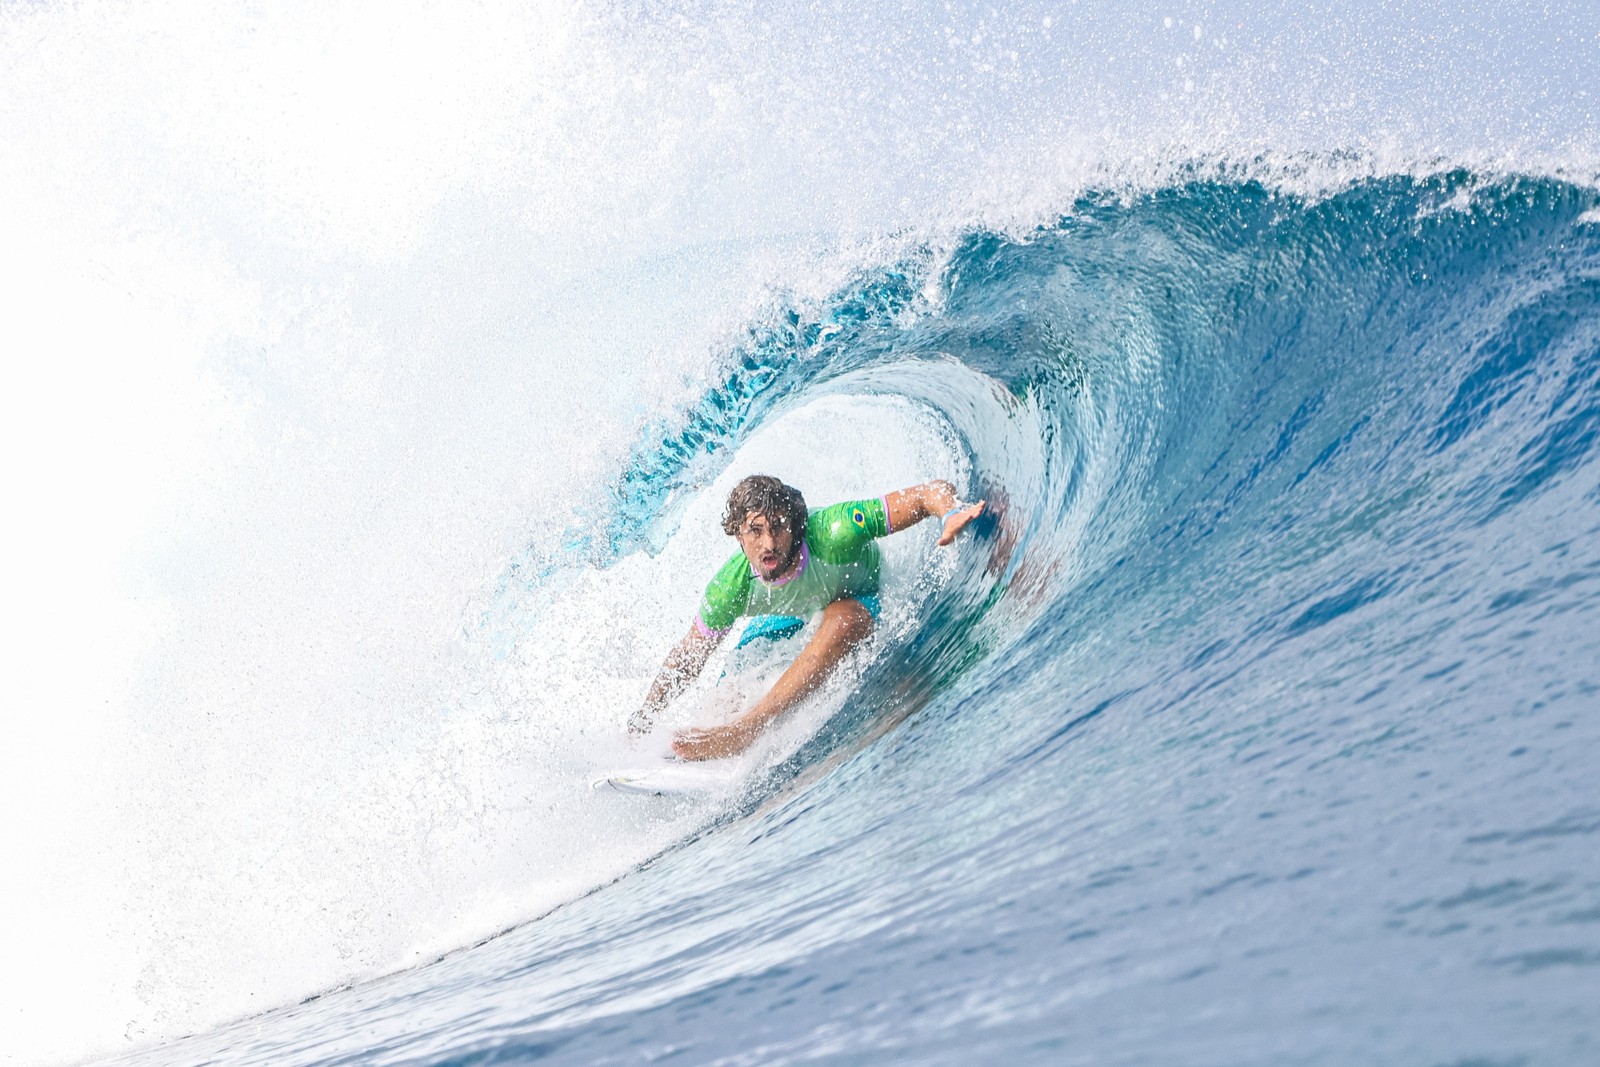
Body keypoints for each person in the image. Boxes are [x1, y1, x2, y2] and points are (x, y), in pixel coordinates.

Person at [628, 474, 986, 760]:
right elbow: (689, 657)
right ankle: (692, 744)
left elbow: (927, 494)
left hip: (852, 597)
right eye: (755, 530)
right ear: (738, 533)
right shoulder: (731, 585)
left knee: (843, 618)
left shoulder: (835, 531)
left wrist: (951, 512)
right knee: (735, 684)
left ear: (796, 525)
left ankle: (746, 729)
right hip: (789, 616)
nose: (768, 543)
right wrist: (644, 719)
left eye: (779, 527)